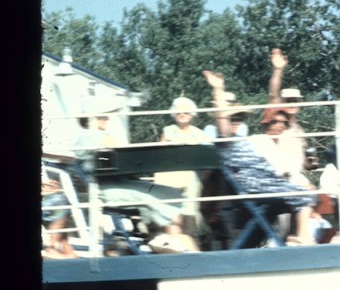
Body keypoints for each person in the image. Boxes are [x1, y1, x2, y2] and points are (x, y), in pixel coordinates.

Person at [203, 69, 317, 245]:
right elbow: (222, 121)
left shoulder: (242, 140)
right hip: (254, 183)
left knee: (303, 193)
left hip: (263, 179)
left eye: (238, 118)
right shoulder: (225, 141)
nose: (235, 122)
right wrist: (218, 89)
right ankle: (302, 237)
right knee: (302, 194)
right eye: (232, 119)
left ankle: (298, 237)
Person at [73, 104, 197, 253]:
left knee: (166, 192)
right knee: (164, 195)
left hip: (118, 183)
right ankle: (170, 241)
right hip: (108, 189)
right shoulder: (90, 136)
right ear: (92, 119)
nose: (106, 119)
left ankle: (166, 239)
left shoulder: (98, 136)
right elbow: (106, 162)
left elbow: (111, 160)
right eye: (102, 116)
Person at [154, 96, 210, 233]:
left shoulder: (199, 134)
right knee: (170, 207)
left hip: (190, 174)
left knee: (190, 205)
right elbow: (161, 154)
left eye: (186, 112)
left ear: (192, 115)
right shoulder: (168, 130)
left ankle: (191, 234)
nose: (182, 115)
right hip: (171, 173)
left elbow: (204, 157)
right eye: (178, 112)